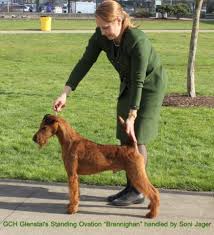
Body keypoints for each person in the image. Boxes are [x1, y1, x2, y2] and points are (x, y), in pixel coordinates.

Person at [53, 0, 167, 206]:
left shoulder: (137, 41)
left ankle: (138, 190)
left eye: (106, 27)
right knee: (124, 133)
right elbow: (85, 62)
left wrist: (133, 114)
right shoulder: (102, 36)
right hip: (128, 82)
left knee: (136, 133)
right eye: (99, 28)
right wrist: (65, 93)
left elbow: (139, 79)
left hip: (148, 86)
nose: (103, 32)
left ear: (119, 20)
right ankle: (132, 185)